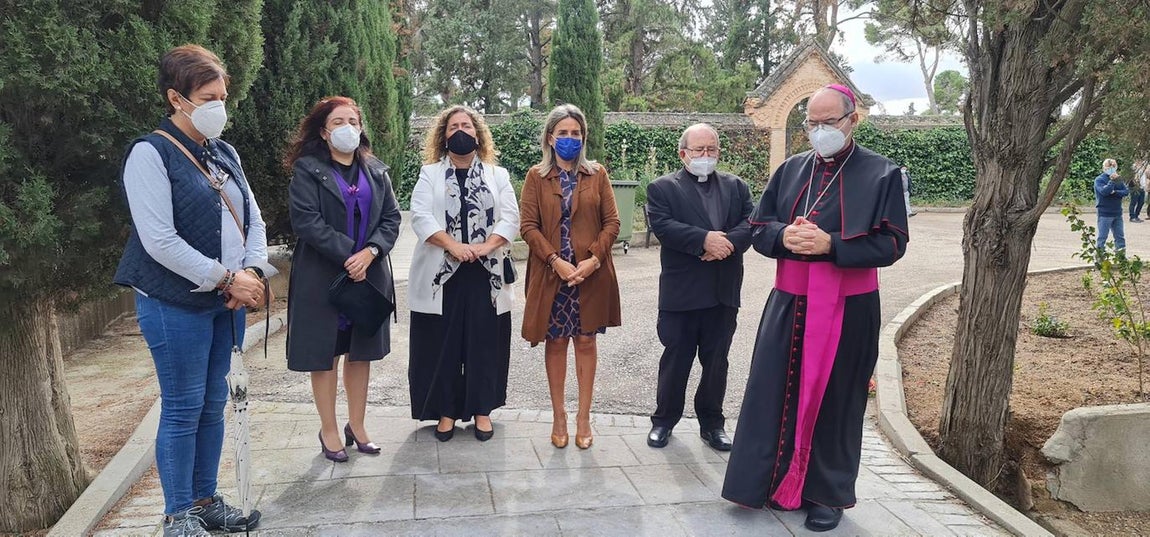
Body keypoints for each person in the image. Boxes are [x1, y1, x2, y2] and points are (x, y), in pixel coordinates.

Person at [721, 84, 909, 532]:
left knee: (838, 398)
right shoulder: (789, 171)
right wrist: (783, 237)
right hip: (790, 301)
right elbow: (759, 228)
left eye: (830, 122)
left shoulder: (883, 174)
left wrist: (833, 244)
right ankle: (767, 481)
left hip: (849, 306)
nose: (820, 132)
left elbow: (893, 243)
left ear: (852, 120)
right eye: (813, 124)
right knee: (774, 390)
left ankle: (826, 495)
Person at [113, 44, 273, 536]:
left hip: (223, 300)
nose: (219, 106)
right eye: (208, 96)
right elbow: (159, 240)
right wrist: (228, 278)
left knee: (211, 402)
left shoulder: (224, 152)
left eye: (223, 95)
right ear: (176, 98)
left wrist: (253, 273)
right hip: (173, 302)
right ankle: (176, 514)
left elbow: (254, 218)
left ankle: (205, 501)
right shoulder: (150, 153)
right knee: (182, 405)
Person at [284, 97, 401, 462]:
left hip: (368, 275)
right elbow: (306, 220)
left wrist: (371, 253)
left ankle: (358, 423)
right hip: (322, 277)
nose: (348, 126)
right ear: (324, 130)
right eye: (338, 121)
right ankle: (329, 429)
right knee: (325, 355)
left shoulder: (377, 171)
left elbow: (391, 220)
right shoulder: (308, 170)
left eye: (353, 120)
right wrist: (349, 252)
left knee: (360, 352)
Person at [408, 105, 519, 442]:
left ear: (477, 133)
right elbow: (420, 216)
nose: (461, 131)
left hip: (486, 274)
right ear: (444, 136)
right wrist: (453, 246)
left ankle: (482, 411)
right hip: (442, 274)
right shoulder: (429, 174)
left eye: (467, 125)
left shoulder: (497, 175)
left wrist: (485, 247)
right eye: (454, 126)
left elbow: (510, 217)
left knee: (484, 344)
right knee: (443, 345)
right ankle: (446, 412)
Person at [644, 123, 754, 452]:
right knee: (676, 360)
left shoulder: (737, 187)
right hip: (682, 294)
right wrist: (703, 240)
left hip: (722, 291)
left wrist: (726, 244)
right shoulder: (662, 188)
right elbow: (663, 226)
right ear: (683, 154)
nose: (705, 156)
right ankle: (663, 421)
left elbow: (751, 223)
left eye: (711, 150)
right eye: (698, 150)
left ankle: (713, 423)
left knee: (717, 361)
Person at [520, 104, 621, 450]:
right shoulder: (536, 176)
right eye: (562, 133)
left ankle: (584, 417)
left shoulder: (598, 175)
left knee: (586, 342)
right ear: (550, 138)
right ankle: (559, 415)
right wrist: (554, 261)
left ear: (583, 137)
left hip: (589, 275)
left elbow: (613, 223)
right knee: (557, 342)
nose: (569, 139)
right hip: (553, 276)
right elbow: (528, 227)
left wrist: (593, 259)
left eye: (575, 133)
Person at [1095, 158, 1128, 251]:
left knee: (1120, 237)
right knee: (1102, 237)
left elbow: (1125, 191)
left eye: (1114, 166)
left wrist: (1115, 192)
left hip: (1117, 213)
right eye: (1109, 167)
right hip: (1104, 213)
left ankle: (1121, 258)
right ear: (1104, 168)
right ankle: (1100, 258)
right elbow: (1104, 192)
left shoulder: (1119, 179)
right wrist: (1112, 181)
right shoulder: (1099, 180)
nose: (1112, 169)